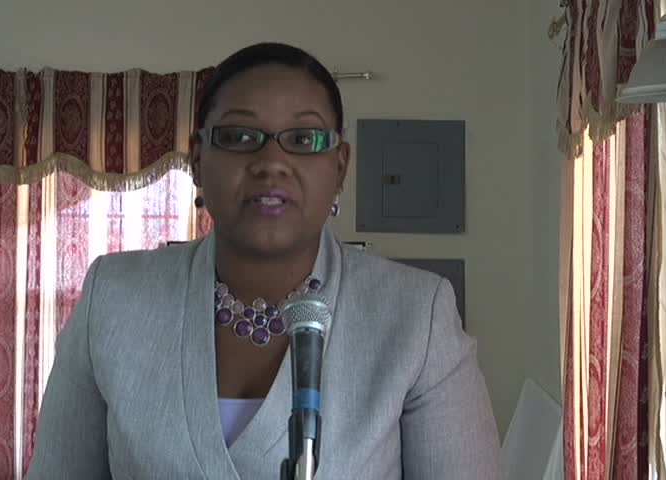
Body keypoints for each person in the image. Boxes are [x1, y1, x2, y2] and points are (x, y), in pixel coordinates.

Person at [27, 42, 502, 479]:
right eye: (238, 135)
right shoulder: (113, 300)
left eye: (304, 139)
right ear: (198, 160)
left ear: (340, 166)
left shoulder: (416, 316)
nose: (272, 162)